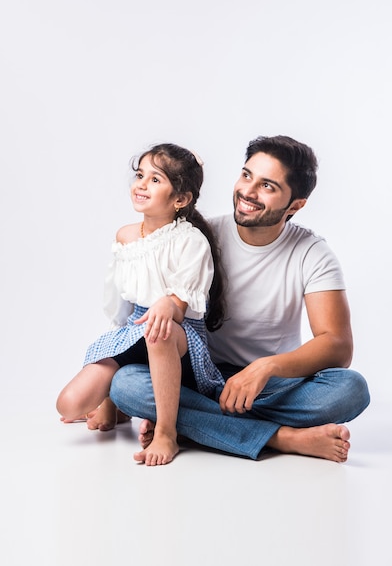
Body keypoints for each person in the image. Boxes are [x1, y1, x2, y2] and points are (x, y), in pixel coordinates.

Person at [109, 135, 370, 464]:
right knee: (126, 385)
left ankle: (188, 424)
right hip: (199, 376)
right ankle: (282, 438)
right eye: (247, 175)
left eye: (268, 186)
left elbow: (337, 345)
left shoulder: (313, 254)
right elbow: (148, 311)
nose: (248, 191)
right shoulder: (199, 236)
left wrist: (266, 366)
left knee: (351, 389)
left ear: (295, 205)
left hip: (269, 386)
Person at [56, 143, 226, 465]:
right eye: (140, 175)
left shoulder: (190, 240)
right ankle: (115, 402)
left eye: (155, 179)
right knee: (69, 404)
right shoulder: (125, 236)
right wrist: (112, 348)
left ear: (180, 199)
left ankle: (166, 431)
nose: (142, 184)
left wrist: (167, 305)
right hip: (136, 327)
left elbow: (182, 303)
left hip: (178, 333)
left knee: (157, 329)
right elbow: (121, 305)